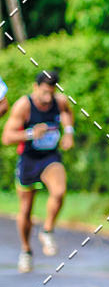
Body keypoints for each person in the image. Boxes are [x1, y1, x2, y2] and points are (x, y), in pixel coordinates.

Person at [2, 71, 74, 273]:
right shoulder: (23, 106)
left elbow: (67, 113)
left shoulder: (60, 101)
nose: (48, 98)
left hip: (49, 158)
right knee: (26, 210)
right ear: (35, 87)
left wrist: (69, 132)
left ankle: (47, 230)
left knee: (59, 191)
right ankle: (26, 251)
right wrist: (30, 133)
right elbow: (7, 137)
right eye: (44, 93)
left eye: (51, 93)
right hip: (29, 160)